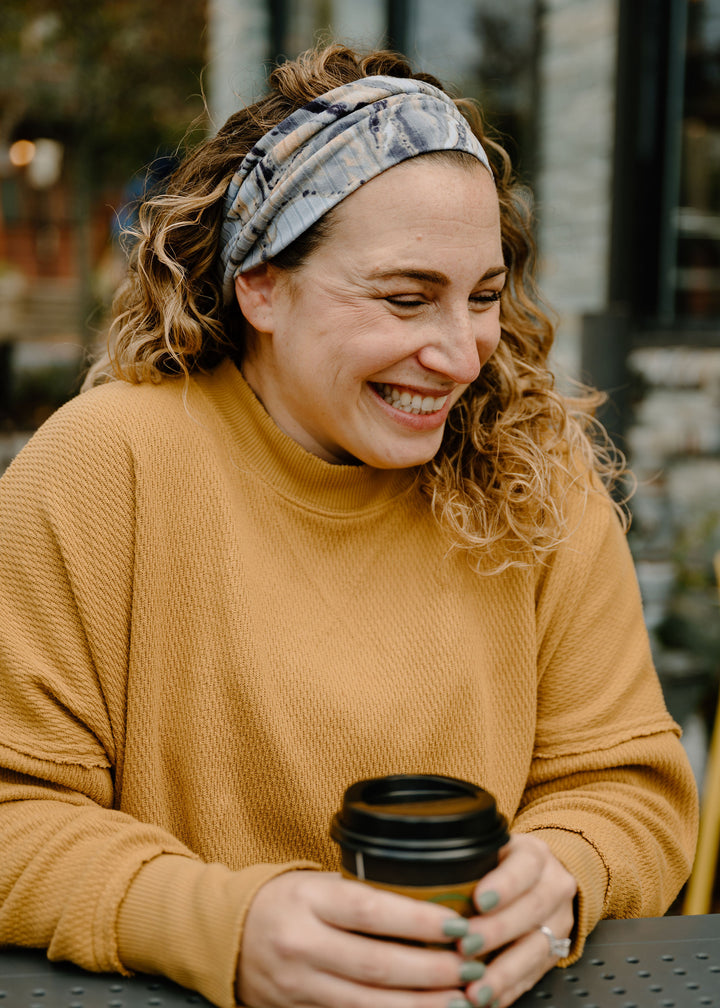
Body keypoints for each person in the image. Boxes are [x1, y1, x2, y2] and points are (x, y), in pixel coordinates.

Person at [0, 42, 698, 1008]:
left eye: (484, 297)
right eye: (406, 298)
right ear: (263, 288)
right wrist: (224, 927)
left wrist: (562, 873)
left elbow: (630, 785)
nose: (460, 355)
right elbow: (14, 809)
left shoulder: (539, 477)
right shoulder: (100, 469)